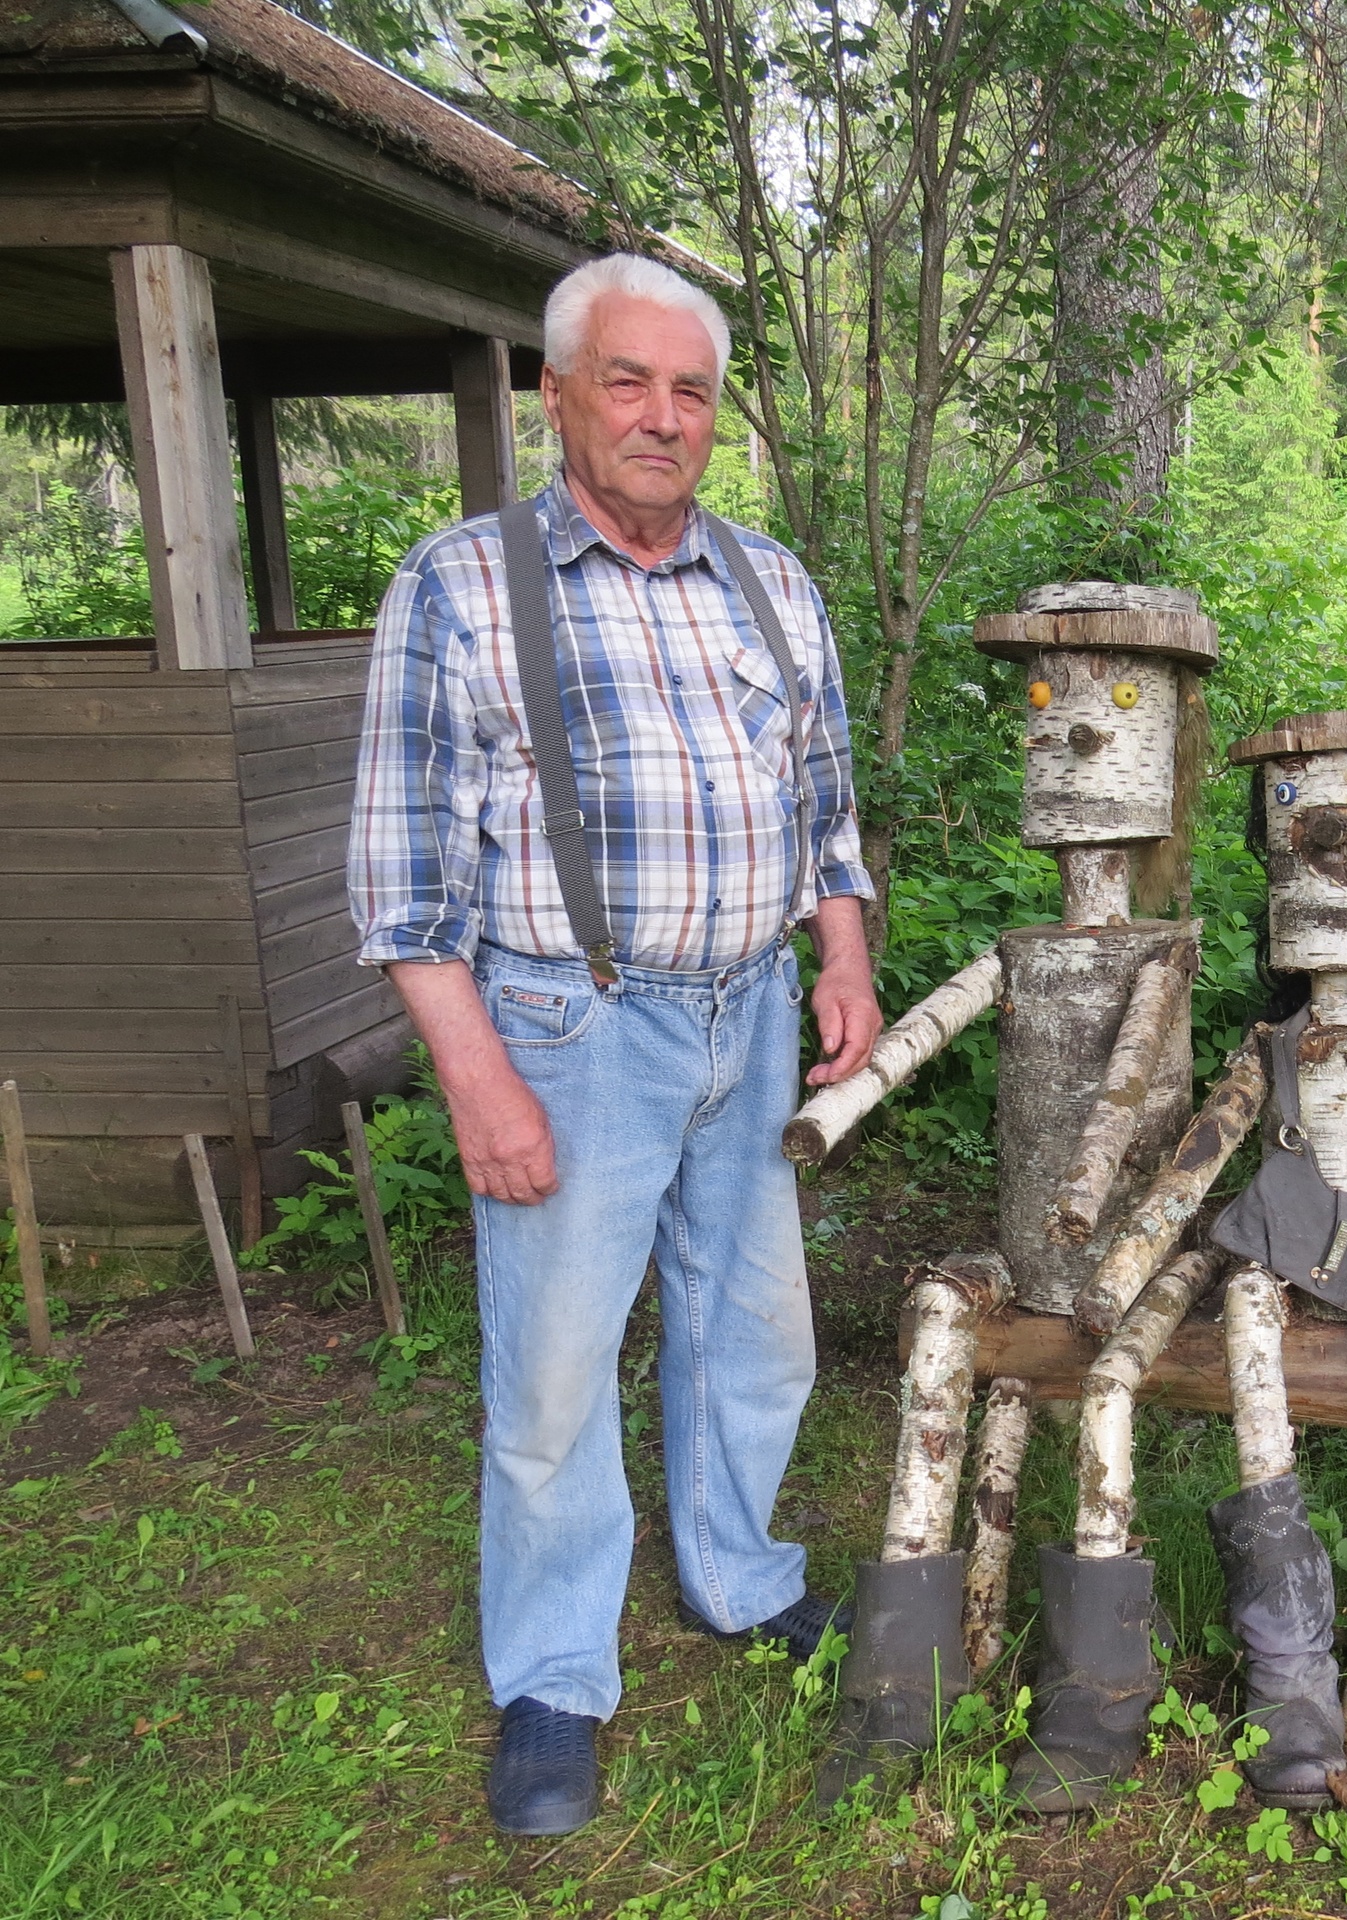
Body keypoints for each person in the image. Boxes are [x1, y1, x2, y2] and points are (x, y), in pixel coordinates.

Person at [347, 253, 884, 1834]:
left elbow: (826, 811)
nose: (663, 418)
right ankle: (555, 1674)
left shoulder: (773, 584)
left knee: (757, 1331)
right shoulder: (461, 584)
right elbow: (400, 881)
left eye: (693, 390)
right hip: (567, 1024)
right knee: (559, 1370)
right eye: (629, 382)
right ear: (558, 393)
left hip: (752, 1015)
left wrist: (840, 955)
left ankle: (737, 1580)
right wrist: (476, 1076)